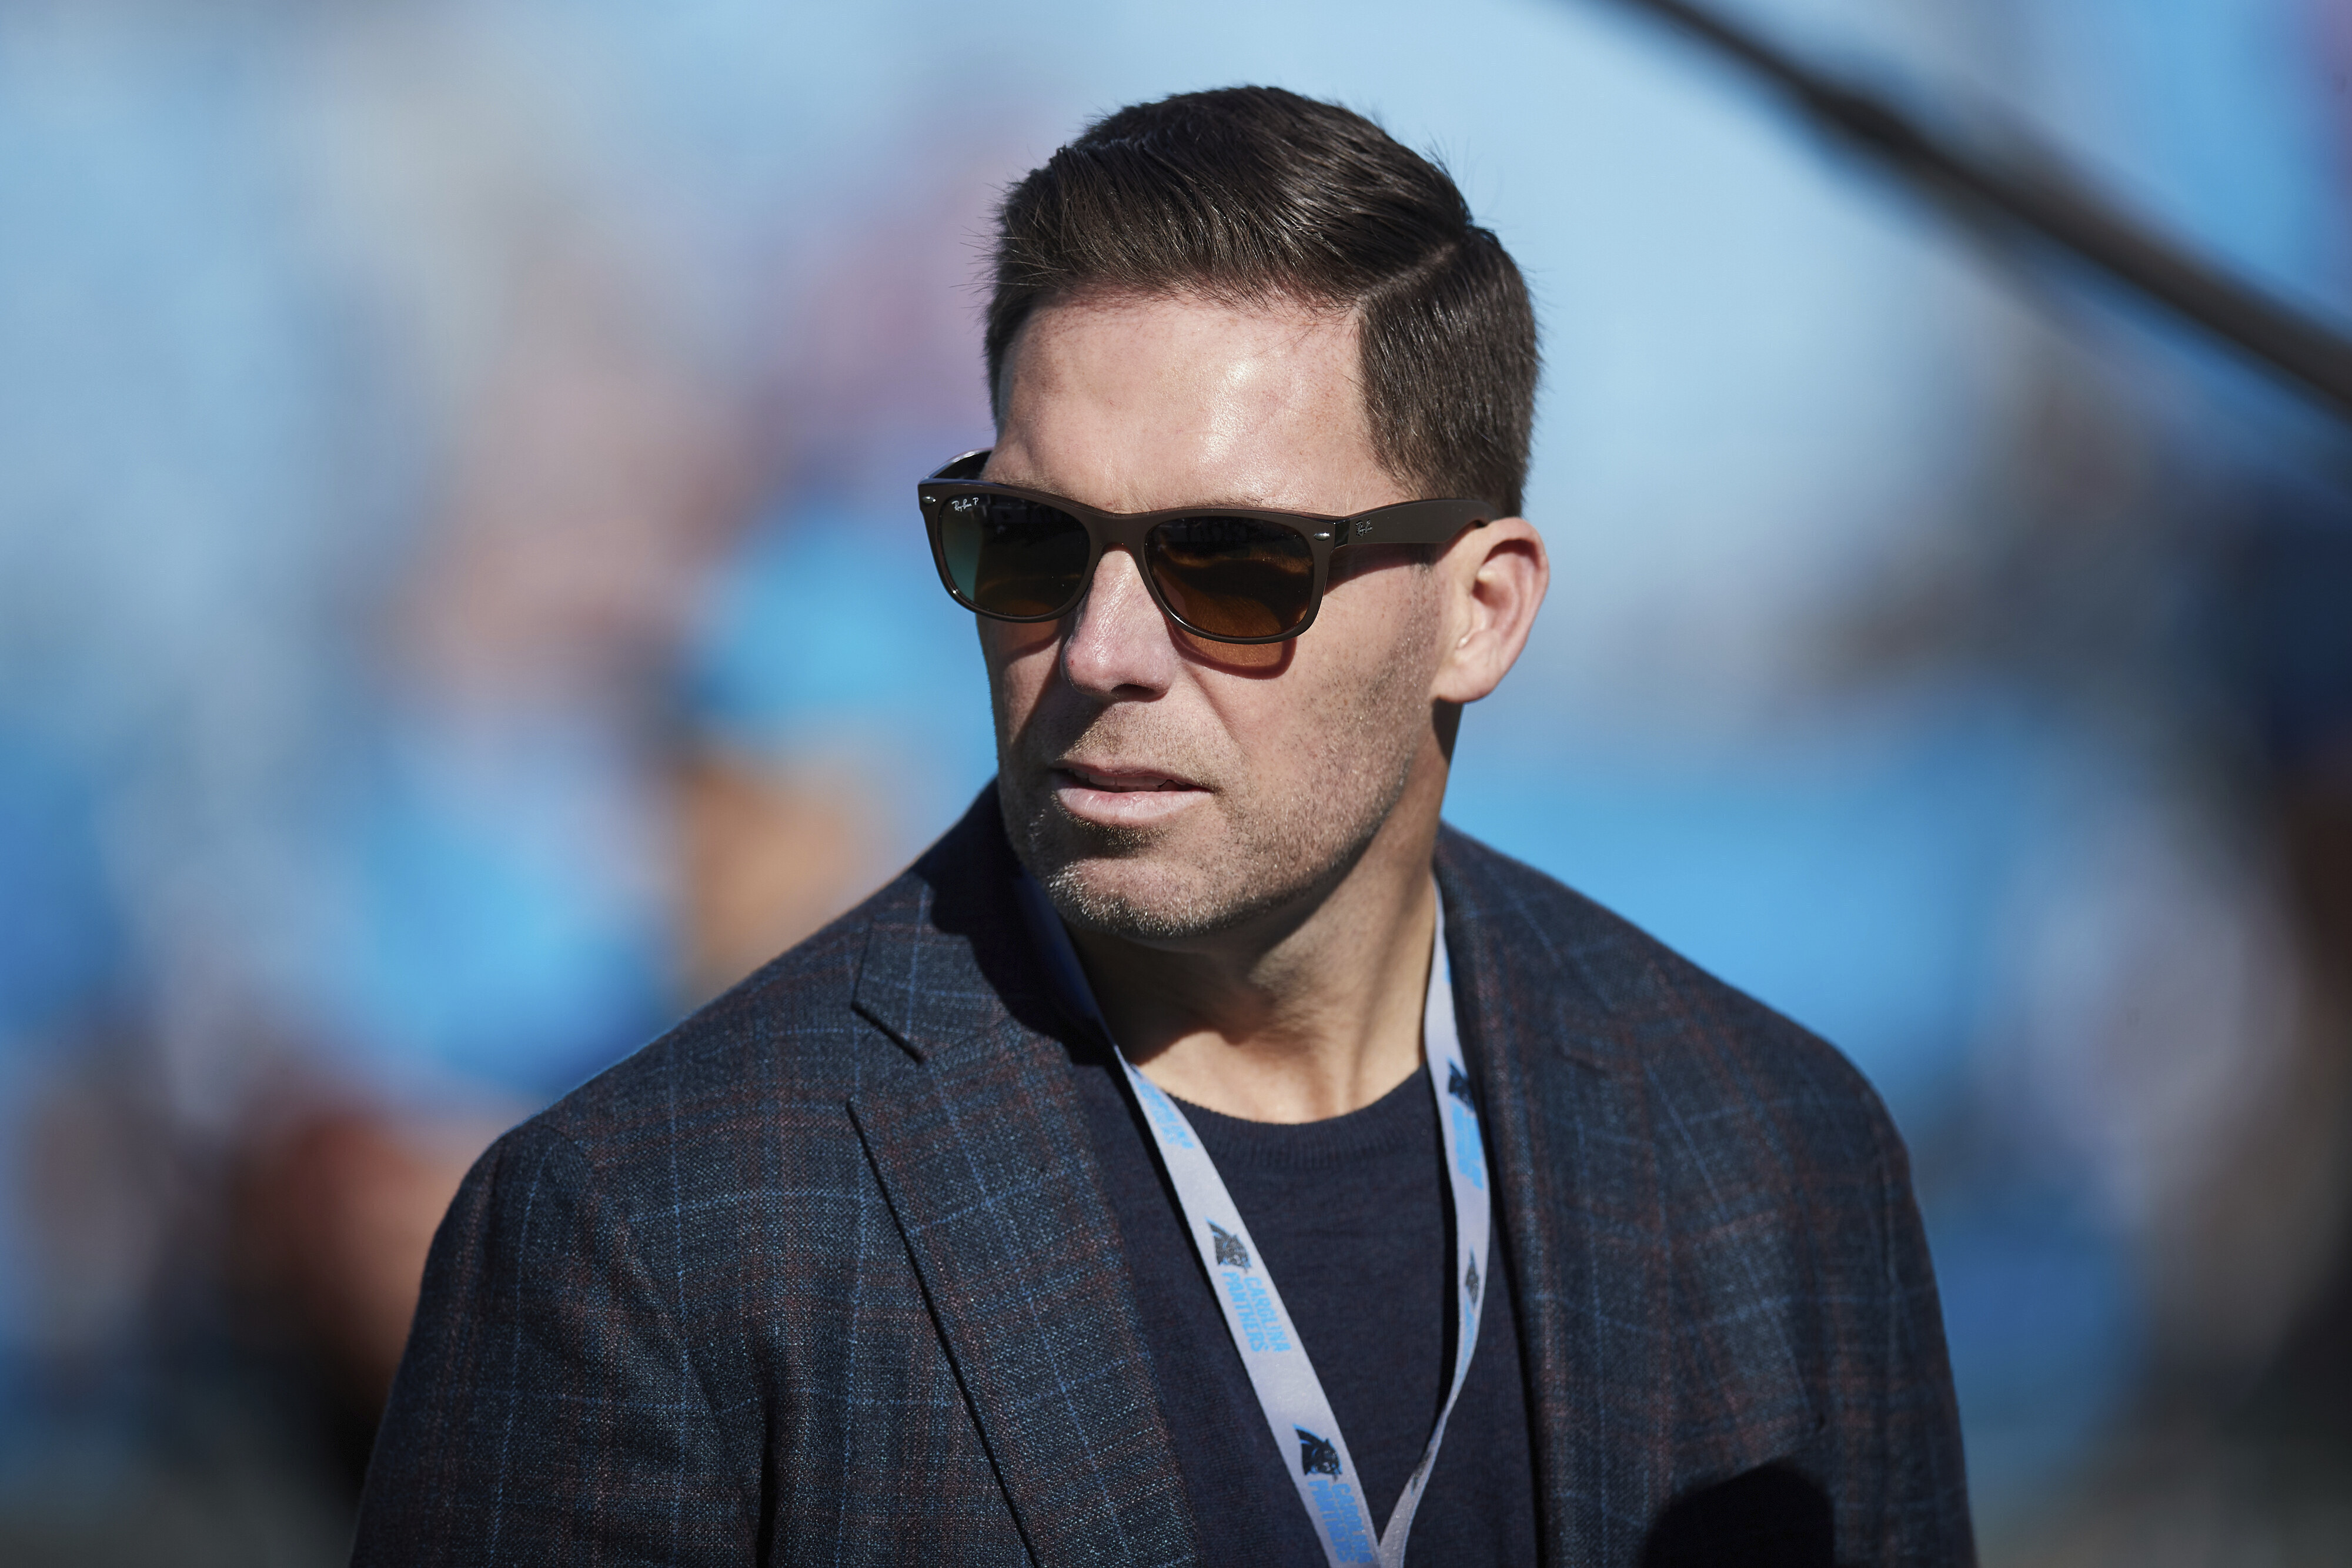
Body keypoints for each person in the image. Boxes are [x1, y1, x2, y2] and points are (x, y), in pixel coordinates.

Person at [353, 86, 1973, 1566]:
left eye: (1231, 566)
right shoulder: (649, 1237)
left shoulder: (1776, 1164)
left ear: (1481, 612)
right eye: (1032, 542)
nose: (1105, 648)